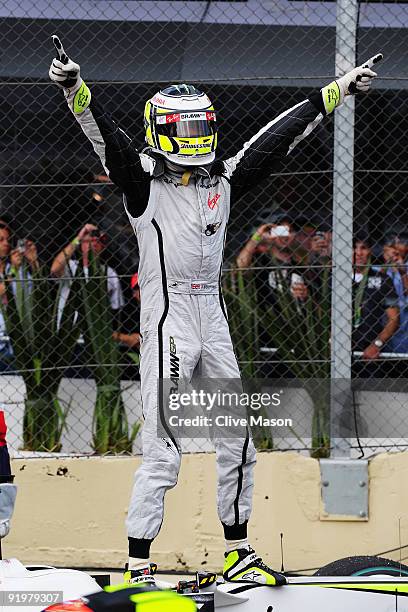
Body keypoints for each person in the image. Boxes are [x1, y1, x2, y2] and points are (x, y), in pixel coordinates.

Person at [49, 35, 382, 585]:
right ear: (160, 130)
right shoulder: (141, 182)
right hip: (169, 318)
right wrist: (75, 89)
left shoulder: (224, 179)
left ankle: (237, 550)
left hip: (213, 313)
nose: (195, 138)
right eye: (183, 129)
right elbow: (105, 137)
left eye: (201, 126)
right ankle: (137, 567)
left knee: (238, 436)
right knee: (165, 446)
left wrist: (339, 89)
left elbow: (279, 138)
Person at [50, 223, 124, 328]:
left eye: (99, 240)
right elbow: (54, 269)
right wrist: (79, 237)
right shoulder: (70, 266)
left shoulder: (110, 273)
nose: (94, 242)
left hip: (97, 336)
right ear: (81, 244)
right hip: (67, 333)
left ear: (103, 247)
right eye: (90, 238)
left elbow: (116, 309)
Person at [352, 238, 399, 360]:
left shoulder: (383, 279)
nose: (358, 253)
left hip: (371, 350)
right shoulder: (334, 278)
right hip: (340, 347)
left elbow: (394, 318)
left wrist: (376, 344)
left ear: (370, 251)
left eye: (363, 248)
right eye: (354, 248)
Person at [113, 272, 141, 350]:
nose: (135, 294)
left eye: (138, 289)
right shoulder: (129, 309)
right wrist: (128, 338)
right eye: (134, 290)